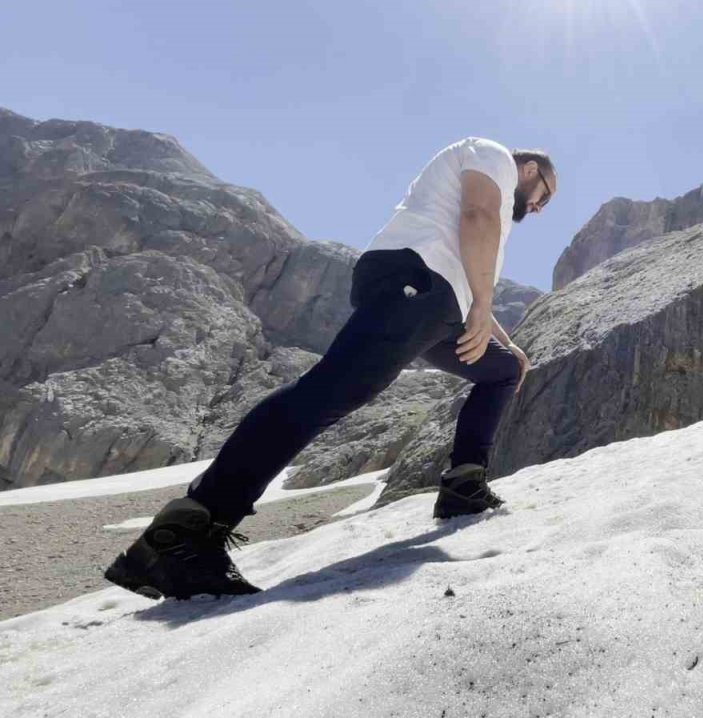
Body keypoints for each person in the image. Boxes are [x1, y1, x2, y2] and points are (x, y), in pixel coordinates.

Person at [103, 137, 557, 600]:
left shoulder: (491, 195)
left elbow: (467, 267)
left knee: (502, 370)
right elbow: (475, 218)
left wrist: (506, 342)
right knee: (327, 393)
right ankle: (185, 534)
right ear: (530, 170)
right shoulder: (494, 155)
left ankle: (464, 486)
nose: (540, 207)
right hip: (417, 282)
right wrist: (481, 304)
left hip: (436, 304)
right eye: (545, 195)